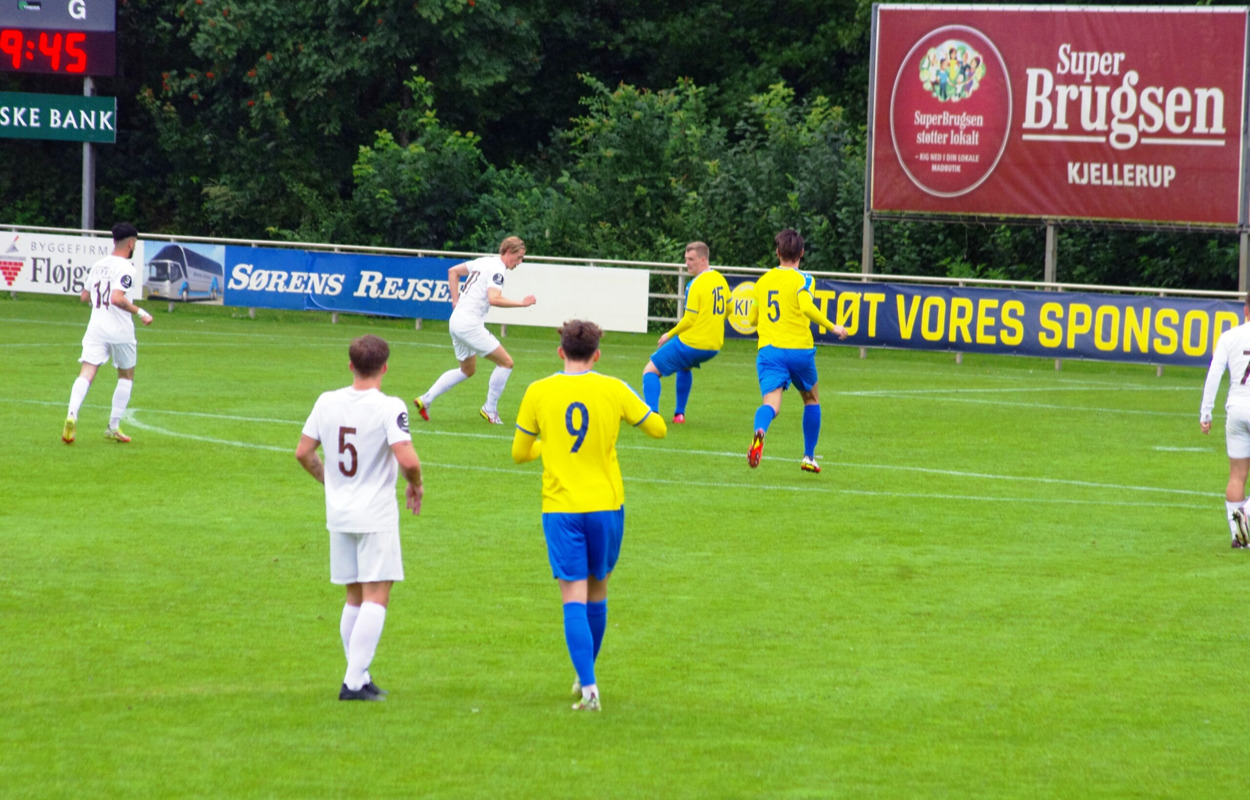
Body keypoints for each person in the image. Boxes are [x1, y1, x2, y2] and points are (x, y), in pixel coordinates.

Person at [511, 320, 667, 711]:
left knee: (572, 599)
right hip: (607, 507)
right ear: (597, 354)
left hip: (562, 509)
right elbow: (658, 429)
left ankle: (590, 686)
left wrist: (549, 445)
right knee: (597, 594)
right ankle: (585, 676)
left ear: (560, 352)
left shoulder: (538, 391)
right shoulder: (613, 388)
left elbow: (518, 452)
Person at [296, 334, 424, 700]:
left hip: (339, 512)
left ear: (350, 365)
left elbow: (304, 452)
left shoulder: (327, 401)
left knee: (354, 596)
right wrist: (415, 484)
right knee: (376, 595)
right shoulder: (389, 406)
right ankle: (353, 682)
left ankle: (359, 674)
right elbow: (408, 458)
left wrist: (329, 480)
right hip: (375, 514)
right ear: (385, 367)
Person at [745, 229, 847, 473]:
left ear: (777, 252)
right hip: (799, 350)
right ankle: (808, 457)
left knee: (771, 404)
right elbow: (805, 305)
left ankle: (760, 432)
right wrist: (832, 326)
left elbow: (751, 319)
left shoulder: (762, 282)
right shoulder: (805, 279)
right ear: (801, 253)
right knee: (811, 399)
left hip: (770, 351)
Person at [413, 236, 536, 424]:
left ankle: (426, 399)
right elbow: (494, 298)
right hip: (470, 324)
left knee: (467, 370)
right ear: (509, 252)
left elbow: (453, 272)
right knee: (506, 363)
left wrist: (455, 300)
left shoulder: (484, 261)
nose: (519, 262)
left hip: (456, 322)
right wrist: (522, 303)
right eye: (518, 257)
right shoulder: (498, 270)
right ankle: (490, 409)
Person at [62, 222, 153, 445]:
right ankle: (113, 426)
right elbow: (116, 298)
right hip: (120, 330)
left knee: (87, 371)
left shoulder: (98, 265)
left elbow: (84, 296)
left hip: (96, 327)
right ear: (131, 243)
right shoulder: (127, 268)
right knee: (126, 375)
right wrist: (141, 312)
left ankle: (72, 414)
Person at [642, 241, 730, 423]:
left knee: (650, 371)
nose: (687, 263)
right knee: (684, 367)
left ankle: (652, 417)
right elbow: (729, 309)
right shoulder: (720, 279)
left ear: (703, 259)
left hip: (692, 343)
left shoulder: (695, 285)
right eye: (686, 259)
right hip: (713, 346)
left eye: (691, 259)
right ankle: (679, 414)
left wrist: (669, 334)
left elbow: (689, 319)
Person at [1199, 295, 1250, 549]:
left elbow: (1215, 372)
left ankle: (1239, 536)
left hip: (1236, 409)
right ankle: (1246, 517)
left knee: (1237, 475)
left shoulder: (1229, 337)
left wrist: (1206, 413)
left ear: (1245, 310)